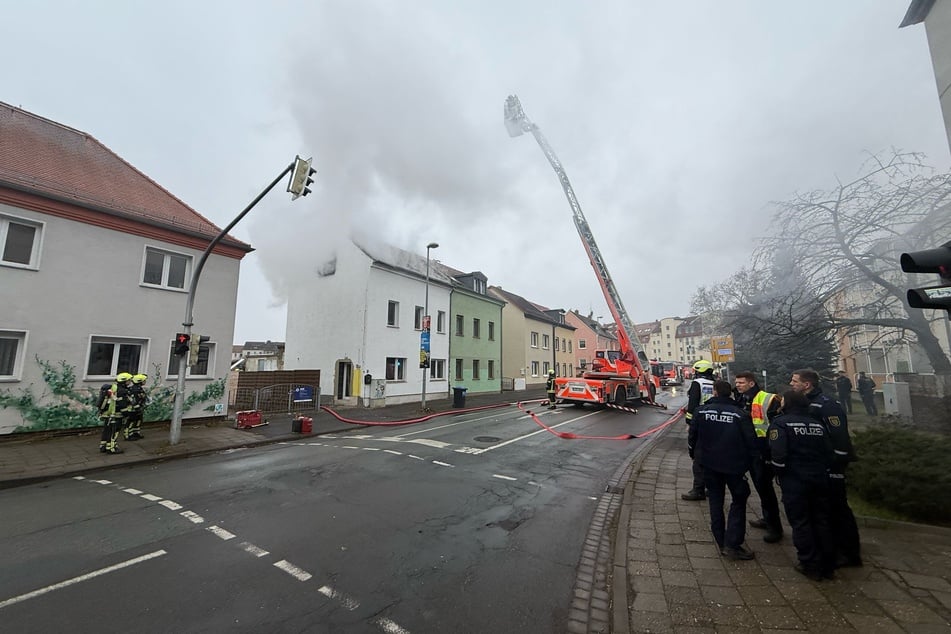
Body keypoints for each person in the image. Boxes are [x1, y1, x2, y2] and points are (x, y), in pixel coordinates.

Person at [789, 368, 862, 568]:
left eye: (795, 381)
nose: (791, 384)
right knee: (823, 508)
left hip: (831, 464)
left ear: (807, 384)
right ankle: (829, 546)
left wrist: (835, 464)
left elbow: (838, 437)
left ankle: (849, 553)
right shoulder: (806, 404)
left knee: (838, 507)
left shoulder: (826, 405)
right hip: (815, 465)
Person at [769, 389, 836, 580]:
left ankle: (809, 563)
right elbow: (829, 453)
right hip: (820, 478)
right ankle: (828, 564)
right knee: (821, 520)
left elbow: (778, 455)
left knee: (801, 522)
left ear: (787, 404)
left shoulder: (780, 424)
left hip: (795, 480)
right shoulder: (817, 424)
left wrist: (779, 474)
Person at [688, 379, 758, 560]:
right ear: (731, 393)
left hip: (709, 465)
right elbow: (751, 442)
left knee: (715, 503)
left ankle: (721, 541)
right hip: (734, 466)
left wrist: (695, 455)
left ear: (715, 393)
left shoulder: (701, 411)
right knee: (739, 500)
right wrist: (750, 464)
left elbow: (692, 437)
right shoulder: (740, 414)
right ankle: (733, 543)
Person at [734, 371, 783, 543]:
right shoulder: (741, 399)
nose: (738, 385)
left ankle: (775, 528)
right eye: (737, 382)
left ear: (752, 383)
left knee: (766, 488)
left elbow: (777, 425)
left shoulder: (768, 399)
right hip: (749, 450)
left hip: (764, 451)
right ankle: (766, 518)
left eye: (741, 382)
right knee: (760, 487)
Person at [681, 359, 716, 501]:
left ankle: (698, 489)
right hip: (713, 421)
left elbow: (693, 403)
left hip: (699, 422)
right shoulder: (715, 383)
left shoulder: (697, 383)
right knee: (712, 457)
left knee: (698, 457)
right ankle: (710, 487)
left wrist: (689, 422)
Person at [98, 372, 134, 454]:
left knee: (107, 430)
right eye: (129, 380)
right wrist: (127, 414)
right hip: (115, 415)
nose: (130, 382)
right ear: (124, 381)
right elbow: (122, 405)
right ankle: (112, 448)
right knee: (114, 431)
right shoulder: (122, 391)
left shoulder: (115, 388)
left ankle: (103, 446)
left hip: (108, 414)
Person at [124, 373, 149, 440]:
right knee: (131, 421)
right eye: (144, 380)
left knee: (138, 421)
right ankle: (128, 435)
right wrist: (137, 408)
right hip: (132, 409)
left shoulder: (139, 388)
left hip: (138, 408)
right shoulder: (135, 390)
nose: (145, 382)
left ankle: (136, 433)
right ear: (139, 381)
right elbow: (134, 401)